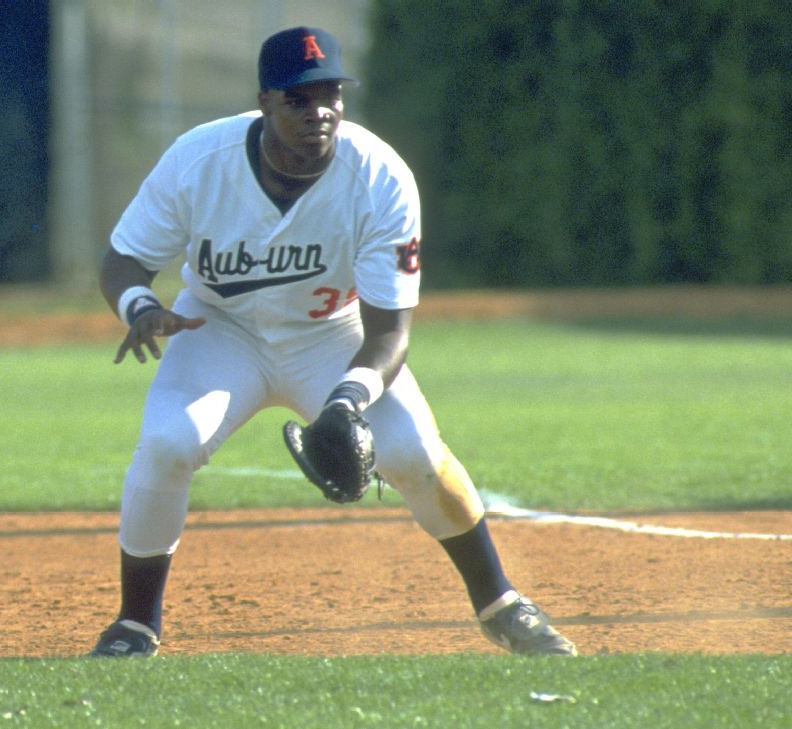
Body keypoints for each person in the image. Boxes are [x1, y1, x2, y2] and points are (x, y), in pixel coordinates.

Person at [88, 26, 577, 658]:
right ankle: (135, 624)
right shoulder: (198, 160)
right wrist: (142, 306)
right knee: (166, 443)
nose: (318, 112)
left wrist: (348, 399)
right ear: (264, 101)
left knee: (416, 457)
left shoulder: (378, 177)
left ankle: (504, 605)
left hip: (333, 338)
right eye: (298, 98)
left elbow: (390, 330)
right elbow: (122, 261)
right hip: (218, 329)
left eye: (330, 96)